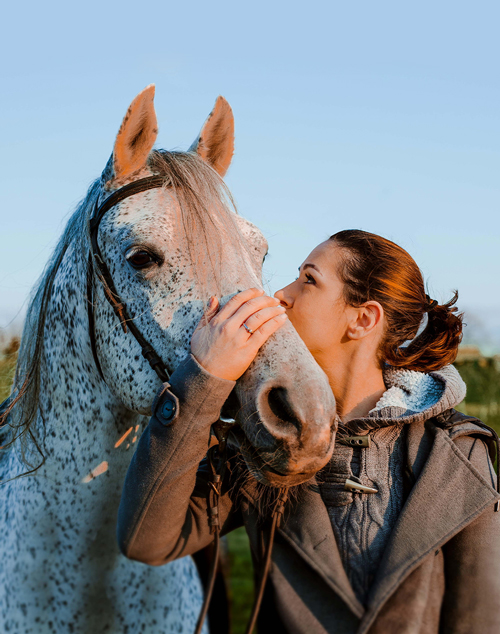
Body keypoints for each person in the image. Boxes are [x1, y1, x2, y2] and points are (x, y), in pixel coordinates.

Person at [117, 229, 500, 634]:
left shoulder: (456, 453)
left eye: (308, 280)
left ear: (362, 319)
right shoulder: (264, 435)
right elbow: (148, 540)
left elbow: (481, 618)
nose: (280, 295)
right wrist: (203, 378)